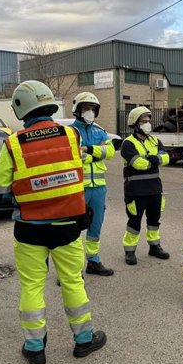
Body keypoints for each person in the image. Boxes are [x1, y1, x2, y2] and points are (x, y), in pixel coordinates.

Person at [0, 80, 107, 364]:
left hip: (29, 228)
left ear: (21, 108)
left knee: (32, 286)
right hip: (67, 226)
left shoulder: (13, 143)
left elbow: (0, 187)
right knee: (72, 281)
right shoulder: (72, 135)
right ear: (49, 104)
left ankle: (34, 348)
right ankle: (83, 340)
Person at [70, 92, 115, 276]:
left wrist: (88, 151)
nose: (89, 112)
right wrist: (97, 154)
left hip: (98, 189)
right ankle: (71, 269)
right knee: (72, 229)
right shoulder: (71, 132)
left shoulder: (100, 131)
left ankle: (93, 261)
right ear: (78, 110)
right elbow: (72, 156)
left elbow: (110, 151)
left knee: (95, 226)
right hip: (76, 188)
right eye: (85, 108)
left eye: (92, 109)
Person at [120, 106, 171, 265]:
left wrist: (156, 159)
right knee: (134, 222)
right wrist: (155, 160)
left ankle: (154, 247)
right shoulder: (128, 143)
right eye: (144, 121)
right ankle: (130, 250)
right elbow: (138, 164)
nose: (147, 124)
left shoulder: (155, 140)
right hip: (135, 191)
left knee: (154, 220)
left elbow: (167, 158)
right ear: (135, 124)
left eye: (148, 120)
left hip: (154, 189)